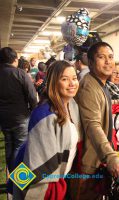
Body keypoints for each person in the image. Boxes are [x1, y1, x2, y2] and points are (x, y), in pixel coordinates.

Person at [13, 60, 80, 199]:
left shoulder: (71, 105)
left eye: (74, 78)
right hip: (43, 185)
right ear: (54, 83)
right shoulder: (45, 113)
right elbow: (40, 164)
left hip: (57, 179)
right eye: (64, 79)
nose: (72, 83)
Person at [72, 41, 119, 199]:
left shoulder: (99, 83)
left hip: (96, 159)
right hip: (88, 164)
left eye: (110, 57)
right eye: (102, 57)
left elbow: (102, 105)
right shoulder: (89, 87)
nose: (108, 61)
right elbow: (92, 125)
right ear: (91, 61)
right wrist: (110, 157)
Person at [0, 47, 37, 173]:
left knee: (9, 145)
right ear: (15, 60)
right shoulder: (20, 73)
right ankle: (20, 181)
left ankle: (12, 176)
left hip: (3, 118)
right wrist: (33, 111)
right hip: (20, 117)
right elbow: (32, 96)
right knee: (20, 148)